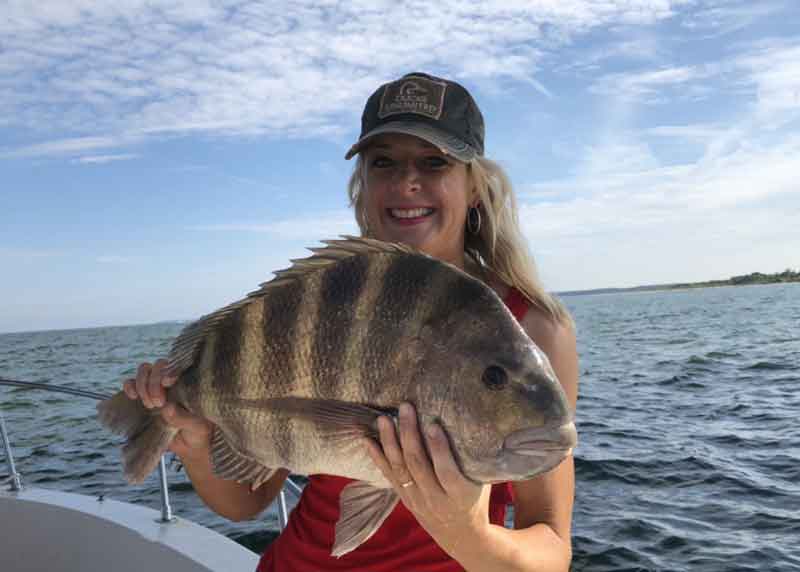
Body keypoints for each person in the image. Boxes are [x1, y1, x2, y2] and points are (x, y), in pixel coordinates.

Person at [124, 72, 579, 572]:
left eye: (434, 162)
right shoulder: (323, 300)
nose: (407, 181)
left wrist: (466, 533)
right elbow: (246, 503)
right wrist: (191, 439)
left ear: (475, 185)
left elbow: (552, 548)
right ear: (363, 183)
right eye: (384, 162)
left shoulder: (534, 329)